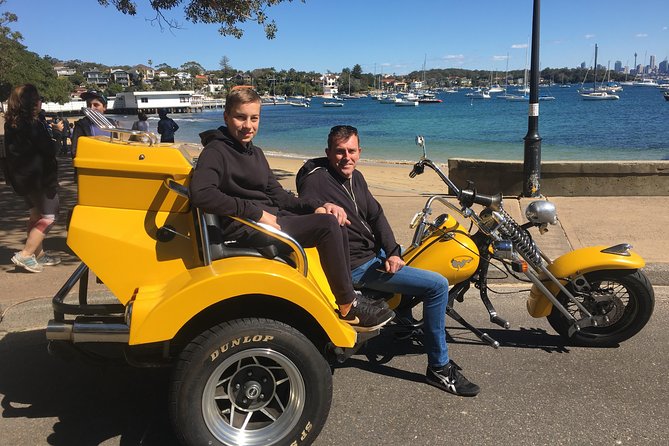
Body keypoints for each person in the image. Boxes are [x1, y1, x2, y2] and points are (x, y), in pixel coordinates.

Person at [296, 125, 480, 397]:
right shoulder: (318, 179)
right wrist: (319, 208)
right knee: (437, 285)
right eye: (339, 152)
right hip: (357, 266)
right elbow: (307, 196)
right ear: (328, 153)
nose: (346, 157)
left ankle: (403, 318)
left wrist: (393, 251)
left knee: (412, 255)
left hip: (376, 255)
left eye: (351, 151)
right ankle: (439, 368)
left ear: (360, 151)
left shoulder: (355, 177)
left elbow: (376, 215)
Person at [189, 89, 394, 332]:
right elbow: (201, 193)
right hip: (246, 227)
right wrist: (255, 213)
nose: (248, 125)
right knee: (328, 227)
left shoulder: (254, 153)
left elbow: (279, 196)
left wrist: (319, 206)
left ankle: (350, 293)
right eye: (240, 117)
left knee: (329, 217)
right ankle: (348, 305)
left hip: (268, 219)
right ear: (226, 117)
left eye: (254, 118)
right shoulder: (217, 151)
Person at [4, 84, 63, 272]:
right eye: (38, 99)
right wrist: (58, 134)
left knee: (36, 214)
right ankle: (26, 254)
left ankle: (39, 254)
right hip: (40, 178)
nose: (40, 102)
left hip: (22, 178)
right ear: (31, 103)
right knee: (50, 216)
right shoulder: (33, 124)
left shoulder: (11, 123)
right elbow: (49, 150)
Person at [71, 90, 117, 158]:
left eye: (96, 105)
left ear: (105, 107)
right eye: (89, 105)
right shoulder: (81, 125)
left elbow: (117, 146)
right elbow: (74, 150)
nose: (91, 108)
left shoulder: (112, 124)